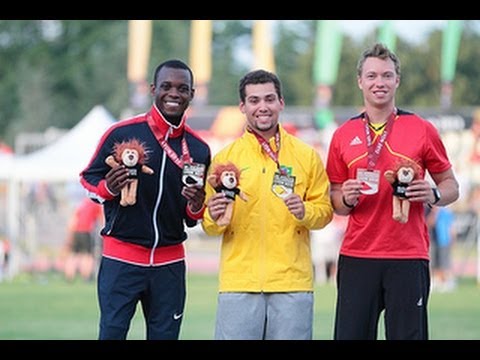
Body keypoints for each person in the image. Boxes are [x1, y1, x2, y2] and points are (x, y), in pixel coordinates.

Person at [325, 43, 460, 340]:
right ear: (360, 81)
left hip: (408, 255)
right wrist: (344, 198)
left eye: (387, 76)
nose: (379, 83)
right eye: (372, 76)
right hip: (357, 255)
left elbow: (452, 186)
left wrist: (433, 194)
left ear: (397, 80)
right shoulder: (342, 134)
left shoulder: (422, 128)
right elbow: (335, 200)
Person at [79, 59, 211, 340]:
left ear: (192, 93)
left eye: (182, 88)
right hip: (121, 258)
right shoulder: (122, 133)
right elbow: (87, 180)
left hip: (169, 264)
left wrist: (198, 204)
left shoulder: (199, 149)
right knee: (112, 335)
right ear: (153, 89)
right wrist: (109, 189)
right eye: (166, 86)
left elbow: (190, 217)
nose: (173, 93)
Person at [202, 69, 333, 340]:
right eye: (254, 100)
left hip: (292, 283)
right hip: (239, 282)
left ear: (281, 103)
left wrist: (305, 211)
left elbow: (325, 212)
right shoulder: (225, 159)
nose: (263, 107)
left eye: (269, 99)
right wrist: (213, 216)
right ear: (242, 106)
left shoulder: (306, 156)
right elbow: (209, 224)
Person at [62, 197, 103, 282]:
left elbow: (74, 218)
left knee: (73, 254)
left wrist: (70, 234)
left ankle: (69, 276)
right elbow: (101, 220)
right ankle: (86, 276)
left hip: (76, 230)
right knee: (87, 255)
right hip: (86, 231)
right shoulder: (96, 204)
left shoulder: (82, 203)